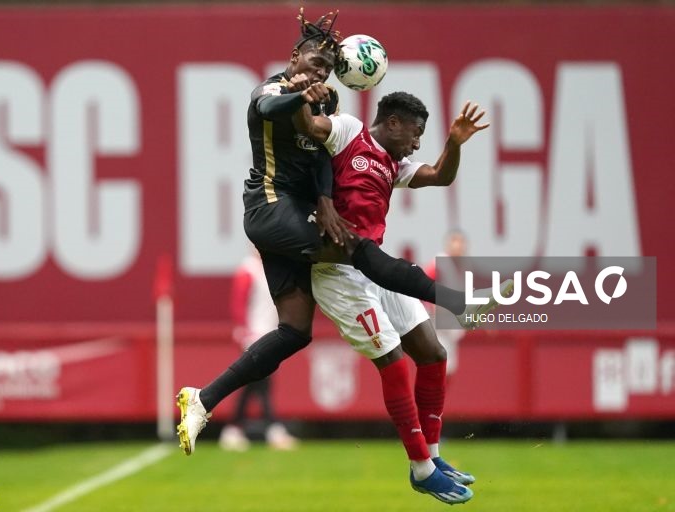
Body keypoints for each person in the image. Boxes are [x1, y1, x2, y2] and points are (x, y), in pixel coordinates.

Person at [176, 9, 509, 462]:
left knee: (294, 331)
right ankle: (457, 302)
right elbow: (274, 109)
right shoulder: (274, 89)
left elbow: (320, 158)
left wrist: (327, 199)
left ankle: (202, 400)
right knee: (357, 249)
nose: (318, 73)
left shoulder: (327, 104)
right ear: (294, 57)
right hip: (270, 210)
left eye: (326, 69)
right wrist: (300, 96)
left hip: (301, 214)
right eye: (312, 63)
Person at [299, 92, 503, 504]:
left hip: (375, 268)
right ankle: (421, 468)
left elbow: (441, 176)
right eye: (415, 133)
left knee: (433, 353)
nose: (416, 143)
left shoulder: (395, 164)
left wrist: (454, 145)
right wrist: (302, 89)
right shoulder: (349, 131)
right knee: (393, 362)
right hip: (339, 274)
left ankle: (434, 455)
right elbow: (309, 125)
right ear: (392, 123)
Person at [219, 250, 299, 452]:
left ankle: (233, 430)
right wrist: (242, 333)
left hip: (271, 333)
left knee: (253, 384)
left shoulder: (274, 269)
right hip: (254, 336)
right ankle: (273, 430)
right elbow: (239, 303)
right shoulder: (248, 269)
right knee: (262, 383)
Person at [424, 229, 469, 377]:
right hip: (437, 325)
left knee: (449, 369)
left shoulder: (462, 267)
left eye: (461, 242)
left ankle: (438, 400)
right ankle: (429, 400)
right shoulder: (440, 263)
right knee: (440, 367)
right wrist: (433, 304)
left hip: (450, 325)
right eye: (455, 241)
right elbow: (422, 285)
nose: (458, 246)